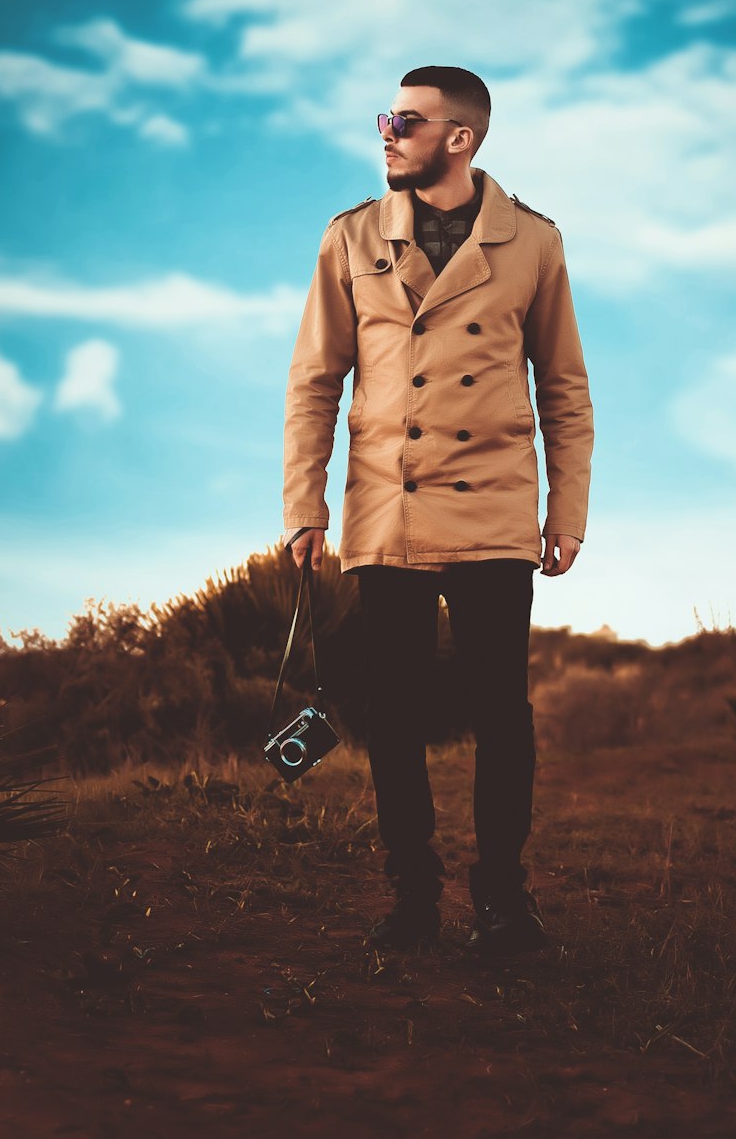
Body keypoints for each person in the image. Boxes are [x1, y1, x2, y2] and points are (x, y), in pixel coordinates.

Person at [282, 65, 593, 957]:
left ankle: (503, 897)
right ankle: (412, 894)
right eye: (386, 118)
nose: (387, 133)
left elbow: (565, 386)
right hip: (387, 508)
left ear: (461, 138)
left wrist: (566, 509)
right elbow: (314, 383)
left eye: (406, 122)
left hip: (494, 506)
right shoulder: (349, 239)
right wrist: (306, 507)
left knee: (503, 710)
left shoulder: (533, 243)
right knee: (396, 710)